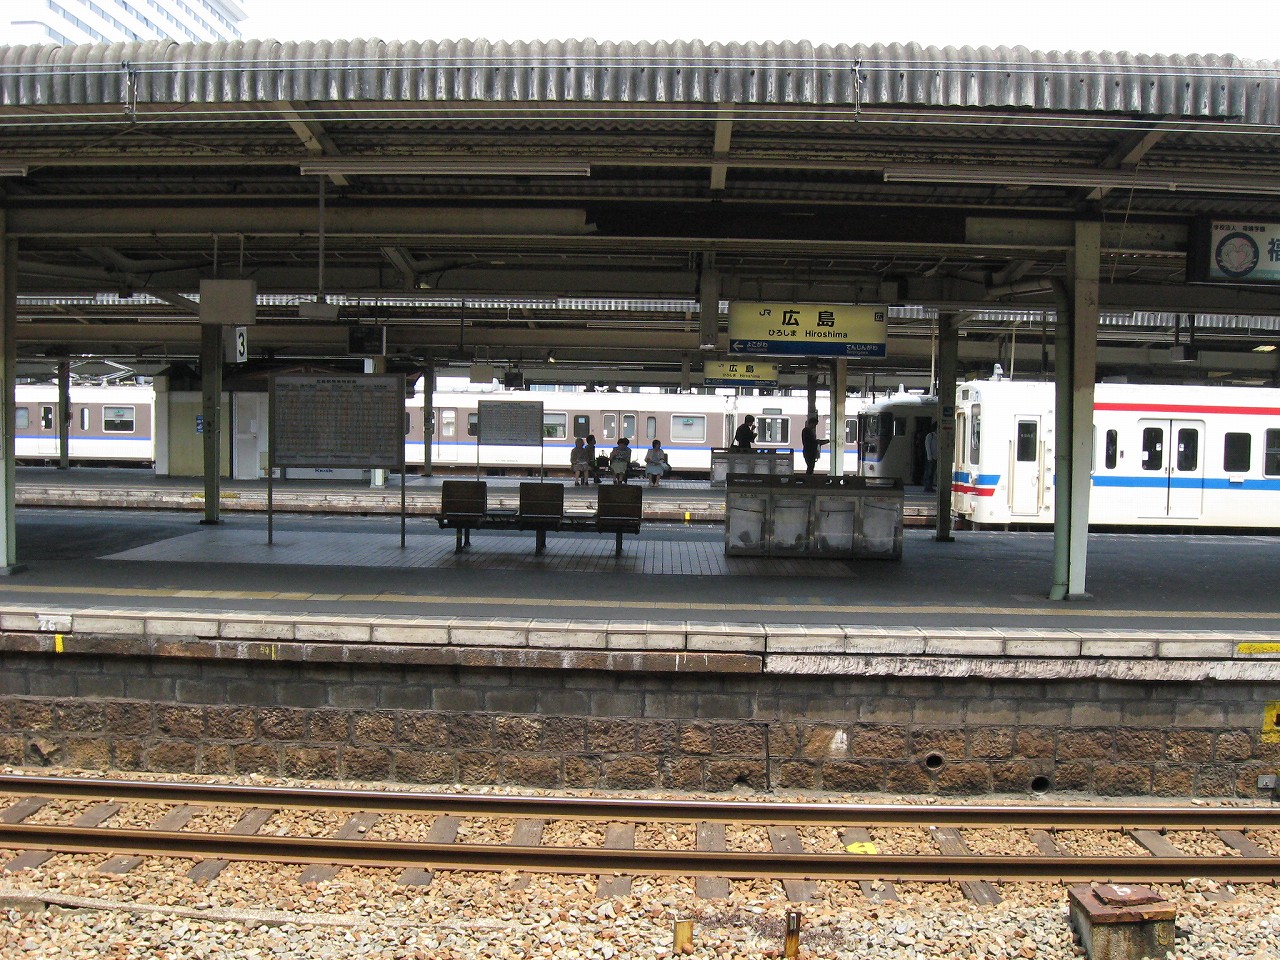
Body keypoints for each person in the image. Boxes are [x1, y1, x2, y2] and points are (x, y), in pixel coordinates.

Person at [923, 423, 939, 492]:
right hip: (930, 458)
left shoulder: (938, 436)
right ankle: (927, 486)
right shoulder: (930, 435)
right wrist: (929, 457)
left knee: (932, 473)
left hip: (936, 457)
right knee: (929, 472)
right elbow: (927, 447)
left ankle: (930, 486)